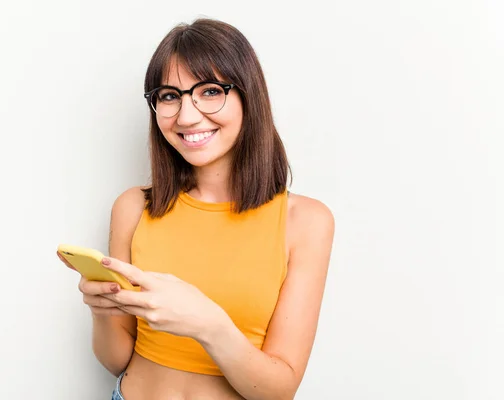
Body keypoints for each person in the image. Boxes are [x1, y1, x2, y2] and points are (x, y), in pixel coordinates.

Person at [70, 18, 334, 400]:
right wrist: (102, 308)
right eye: (169, 95)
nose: (187, 116)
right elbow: (117, 359)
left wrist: (207, 324)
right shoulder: (133, 207)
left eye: (210, 91)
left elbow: (279, 391)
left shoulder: (306, 222)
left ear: (249, 96)